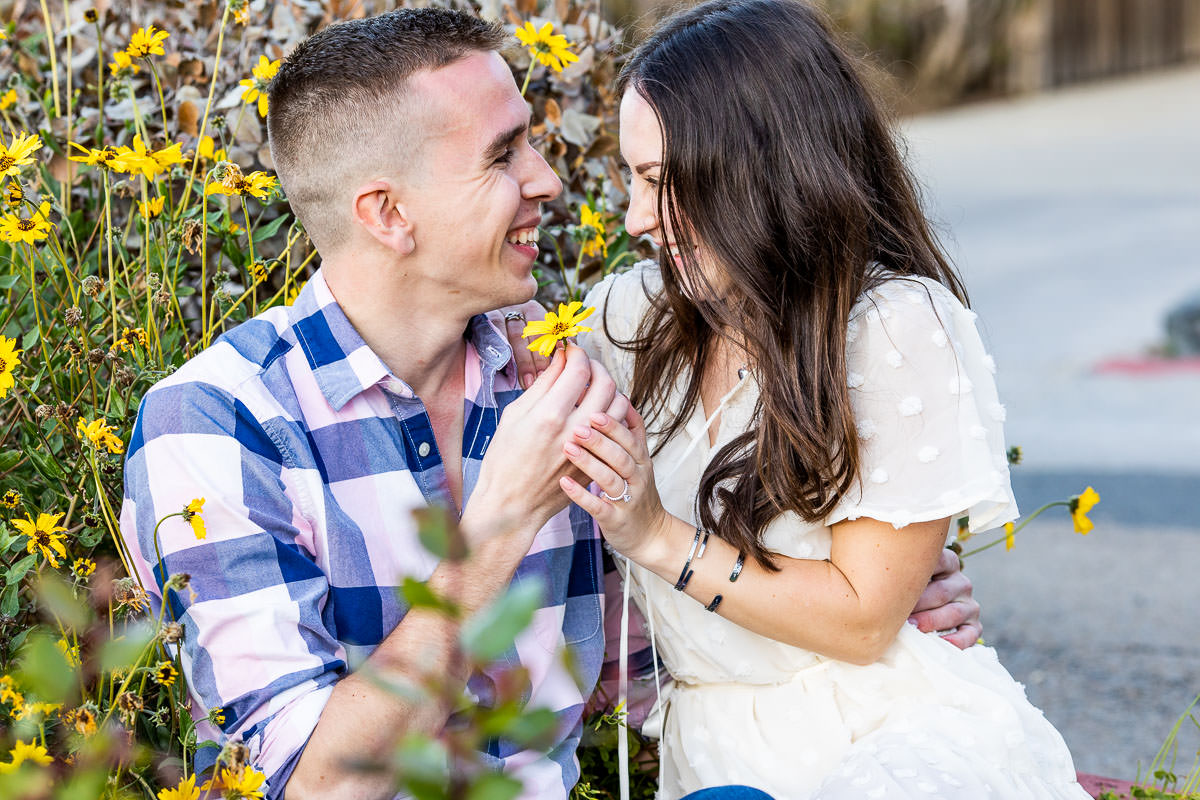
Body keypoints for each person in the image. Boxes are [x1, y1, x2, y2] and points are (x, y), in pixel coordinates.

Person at [118, 7, 980, 800]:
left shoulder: (560, 367)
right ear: (386, 214)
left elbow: (657, 651)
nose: (548, 181)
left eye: (530, 143)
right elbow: (309, 787)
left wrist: (879, 588)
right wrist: (495, 531)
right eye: (501, 156)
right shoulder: (220, 425)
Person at [553, 0, 1093, 798]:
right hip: (714, 749)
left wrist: (654, 535)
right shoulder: (636, 318)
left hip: (887, 735)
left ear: (759, 171)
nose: (636, 219)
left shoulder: (893, 326)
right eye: (631, 179)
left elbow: (863, 620)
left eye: (660, 182)